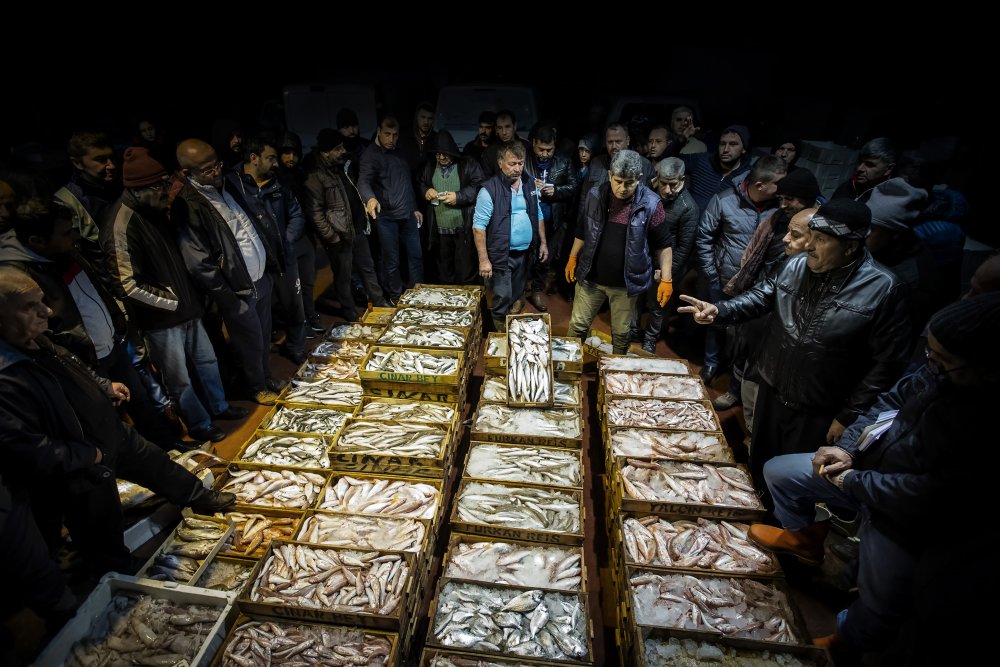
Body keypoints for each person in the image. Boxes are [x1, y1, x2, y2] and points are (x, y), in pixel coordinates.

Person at [746, 293, 997, 664]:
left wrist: (853, 482)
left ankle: (846, 641)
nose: (930, 362)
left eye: (942, 359)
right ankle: (805, 538)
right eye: (929, 352)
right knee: (780, 472)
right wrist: (848, 448)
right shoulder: (935, 372)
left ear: (988, 369)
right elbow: (888, 402)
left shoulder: (984, 424)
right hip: (868, 472)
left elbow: (929, 495)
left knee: (882, 596)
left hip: (910, 517)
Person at [0, 268, 236, 577]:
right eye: (30, 307)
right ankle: (118, 570)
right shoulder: (6, 376)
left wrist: (102, 386)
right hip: (81, 460)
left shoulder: (38, 339)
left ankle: (201, 497)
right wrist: (87, 455)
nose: (47, 311)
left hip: (109, 431)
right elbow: (28, 448)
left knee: (158, 464)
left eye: (42, 301)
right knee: (99, 521)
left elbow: (73, 368)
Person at [678, 199, 912, 506]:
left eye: (821, 240)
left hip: (820, 407)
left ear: (850, 247)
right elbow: (760, 297)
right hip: (773, 387)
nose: (810, 245)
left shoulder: (884, 288)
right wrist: (719, 311)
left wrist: (848, 416)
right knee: (759, 463)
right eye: (811, 235)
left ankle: (785, 527)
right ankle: (756, 513)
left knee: (795, 483)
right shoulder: (795, 264)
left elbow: (886, 365)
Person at [0, 198, 180, 451]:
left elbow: (96, 291)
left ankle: (169, 451)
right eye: (65, 233)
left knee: (140, 401)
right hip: (84, 360)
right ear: (37, 241)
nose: (74, 236)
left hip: (111, 345)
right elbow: (46, 331)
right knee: (109, 421)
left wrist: (116, 324)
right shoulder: (19, 279)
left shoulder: (65, 252)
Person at [102, 147, 247, 444]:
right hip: (161, 320)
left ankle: (219, 406)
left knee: (207, 362)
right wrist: (171, 302)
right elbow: (126, 284)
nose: (164, 191)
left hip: (188, 308)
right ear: (139, 189)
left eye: (165, 183)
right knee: (178, 378)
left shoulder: (154, 210)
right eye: (159, 186)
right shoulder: (121, 223)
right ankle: (199, 423)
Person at [171, 139, 283, 406]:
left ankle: (266, 378)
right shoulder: (187, 205)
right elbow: (199, 263)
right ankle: (255, 387)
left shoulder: (227, 184)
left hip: (260, 278)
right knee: (249, 343)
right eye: (208, 169)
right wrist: (229, 298)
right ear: (187, 173)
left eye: (217, 165)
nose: (216, 172)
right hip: (237, 290)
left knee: (263, 336)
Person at [565, 149, 672, 354]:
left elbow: (664, 245)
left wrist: (667, 279)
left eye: (629, 183)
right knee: (577, 326)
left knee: (621, 334)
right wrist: (572, 256)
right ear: (609, 175)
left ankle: (616, 370)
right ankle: (570, 365)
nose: (623, 188)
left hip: (625, 285)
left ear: (639, 178)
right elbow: (582, 230)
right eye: (618, 181)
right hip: (591, 278)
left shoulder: (651, 204)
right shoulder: (595, 195)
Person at [695, 155, 787, 386]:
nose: (784, 188)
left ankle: (735, 375)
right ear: (760, 185)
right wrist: (711, 273)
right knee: (716, 321)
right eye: (779, 183)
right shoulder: (724, 200)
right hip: (723, 277)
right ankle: (711, 363)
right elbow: (704, 236)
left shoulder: (780, 208)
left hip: (757, 284)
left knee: (746, 331)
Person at [226, 132, 307, 365]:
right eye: (270, 158)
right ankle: (261, 365)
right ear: (254, 158)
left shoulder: (278, 182)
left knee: (294, 306)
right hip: (255, 264)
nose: (276, 163)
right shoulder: (231, 185)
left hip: (283, 258)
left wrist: (287, 240)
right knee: (261, 314)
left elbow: (296, 214)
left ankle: (295, 346)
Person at [473, 141, 547, 332]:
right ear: (500, 163)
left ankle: (511, 321)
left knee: (518, 289)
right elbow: (478, 227)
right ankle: (499, 328)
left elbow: (537, 213)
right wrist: (484, 260)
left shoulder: (529, 184)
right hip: (501, 253)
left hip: (524, 252)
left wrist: (543, 243)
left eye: (520, 163)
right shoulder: (489, 190)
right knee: (502, 294)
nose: (517, 168)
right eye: (512, 163)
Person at [358, 114, 424, 306]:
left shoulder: (399, 150)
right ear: (379, 131)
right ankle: (395, 295)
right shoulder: (370, 155)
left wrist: (414, 207)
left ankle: (419, 292)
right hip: (386, 217)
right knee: (391, 260)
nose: (391, 139)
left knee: (416, 256)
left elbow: (406, 182)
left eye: (395, 135)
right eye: (387, 134)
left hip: (407, 214)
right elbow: (363, 181)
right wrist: (370, 198)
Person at [864, 177, 942, 335]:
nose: (862, 234)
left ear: (896, 233)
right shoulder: (877, 248)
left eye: (872, 228)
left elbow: (900, 338)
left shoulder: (914, 281)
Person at [303, 129, 367, 322]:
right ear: (325, 152)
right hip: (337, 234)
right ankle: (348, 309)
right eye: (337, 148)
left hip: (349, 228)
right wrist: (332, 236)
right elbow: (315, 212)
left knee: (355, 270)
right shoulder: (316, 175)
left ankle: (356, 301)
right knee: (343, 274)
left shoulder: (336, 167)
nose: (343, 151)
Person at [638, 157, 700, 353]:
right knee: (636, 297)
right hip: (643, 256)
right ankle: (634, 330)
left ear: (682, 179)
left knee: (658, 305)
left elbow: (684, 248)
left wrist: (667, 272)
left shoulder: (688, 207)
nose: (667, 189)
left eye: (672, 185)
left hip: (665, 263)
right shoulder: (649, 191)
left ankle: (651, 338)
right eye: (663, 183)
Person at [523, 124, 578, 311]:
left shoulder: (564, 161)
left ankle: (537, 290)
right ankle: (520, 291)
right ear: (533, 143)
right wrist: (530, 185)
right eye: (541, 149)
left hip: (552, 219)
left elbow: (574, 186)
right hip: (526, 218)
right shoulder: (523, 159)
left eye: (549, 150)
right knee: (524, 255)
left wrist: (556, 190)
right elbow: (511, 182)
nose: (545, 154)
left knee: (545, 257)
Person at [418, 130, 485, 285]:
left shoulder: (468, 164)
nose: (441, 158)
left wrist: (458, 196)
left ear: (453, 152)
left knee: (466, 273)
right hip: (440, 230)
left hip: (463, 229)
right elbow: (420, 183)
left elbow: (480, 185)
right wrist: (425, 191)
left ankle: (467, 300)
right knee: (444, 274)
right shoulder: (429, 166)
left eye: (445, 154)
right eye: (438, 154)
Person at [54, 130, 120, 268]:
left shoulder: (119, 184)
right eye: (101, 160)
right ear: (77, 163)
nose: (112, 165)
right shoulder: (66, 202)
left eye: (112, 157)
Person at [682, 124, 753, 213]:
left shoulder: (747, 177)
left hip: (718, 221)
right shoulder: (702, 160)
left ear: (744, 149)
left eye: (733, 144)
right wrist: (680, 141)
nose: (726, 149)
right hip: (688, 218)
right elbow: (670, 159)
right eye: (722, 144)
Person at [830, 137, 898, 202]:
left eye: (870, 164)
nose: (859, 168)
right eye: (860, 162)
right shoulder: (847, 186)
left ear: (888, 169)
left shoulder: (890, 201)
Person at [481, 110, 531, 179]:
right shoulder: (489, 152)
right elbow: (487, 179)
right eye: (500, 128)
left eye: (507, 127)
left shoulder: (527, 147)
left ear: (515, 126)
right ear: (496, 129)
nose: (504, 132)